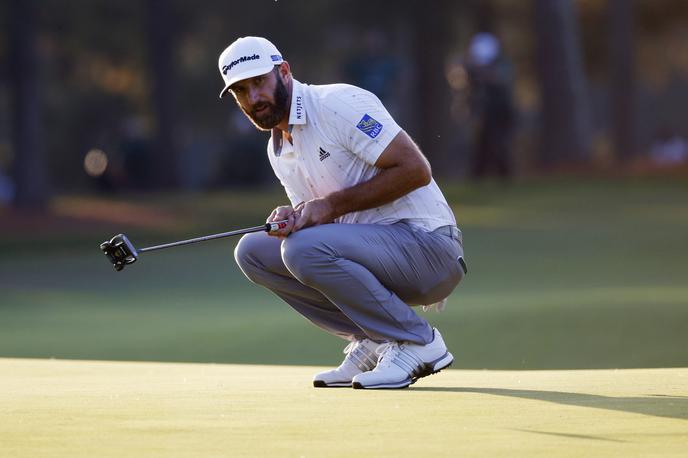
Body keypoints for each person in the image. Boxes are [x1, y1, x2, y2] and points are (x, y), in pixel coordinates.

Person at [219, 36, 467, 389]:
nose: (254, 98)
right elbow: (322, 222)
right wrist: (297, 216)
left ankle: (419, 343)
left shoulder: (337, 105)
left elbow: (414, 169)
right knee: (253, 251)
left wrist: (328, 206)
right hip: (376, 257)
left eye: (259, 82)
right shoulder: (278, 149)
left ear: (284, 72)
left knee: (302, 250)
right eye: (241, 91)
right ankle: (372, 339)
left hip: (429, 249)